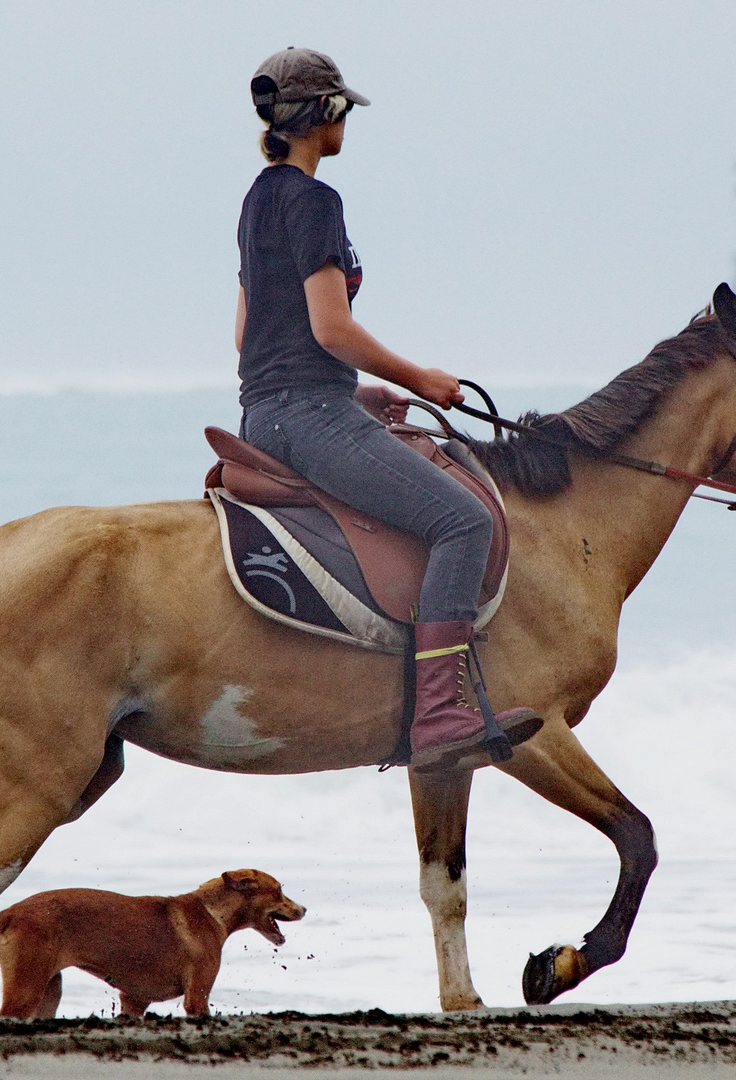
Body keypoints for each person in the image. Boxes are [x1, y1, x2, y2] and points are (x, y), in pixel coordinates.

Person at [233, 48, 540, 773]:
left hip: (273, 408)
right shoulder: (315, 201)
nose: (348, 125)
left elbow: (250, 335)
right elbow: (330, 329)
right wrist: (422, 379)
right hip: (304, 415)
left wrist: (354, 391)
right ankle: (440, 712)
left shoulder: (257, 196)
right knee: (461, 520)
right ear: (325, 115)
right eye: (343, 111)